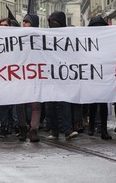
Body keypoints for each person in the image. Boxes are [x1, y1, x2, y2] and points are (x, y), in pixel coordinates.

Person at [46, 11, 79, 141]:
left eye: (55, 22)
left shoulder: (68, 36)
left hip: (64, 76)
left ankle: (67, 130)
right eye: (51, 22)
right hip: (50, 76)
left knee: (64, 103)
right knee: (51, 106)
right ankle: (55, 131)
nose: (53, 25)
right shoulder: (46, 36)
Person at [16, 14, 42, 142]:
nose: (24, 23)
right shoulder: (17, 37)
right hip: (20, 74)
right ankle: (22, 127)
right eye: (24, 21)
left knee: (36, 104)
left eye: (27, 22)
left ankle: (33, 129)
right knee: (20, 103)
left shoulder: (41, 38)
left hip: (35, 75)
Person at [86, 15, 112, 140]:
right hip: (95, 74)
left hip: (102, 74)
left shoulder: (107, 40)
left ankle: (98, 128)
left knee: (98, 104)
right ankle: (100, 128)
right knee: (97, 104)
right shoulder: (87, 39)